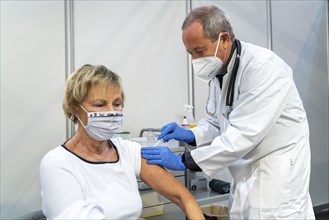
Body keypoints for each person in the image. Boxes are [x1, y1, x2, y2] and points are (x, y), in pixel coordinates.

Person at [141, 5, 315, 219]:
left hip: (276, 175)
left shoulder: (263, 67)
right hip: (244, 172)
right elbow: (217, 122)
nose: (195, 60)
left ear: (224, 39)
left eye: (199, 50)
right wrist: (191, 134)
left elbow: (243, 134)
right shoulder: (220, 72)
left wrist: (185, 161)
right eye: (190, 53)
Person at [39, 64, 205, 220]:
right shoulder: (57, 163)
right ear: (75, 108)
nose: (111, 112)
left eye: (117, 104)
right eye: (100, 104)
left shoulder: (127, 151)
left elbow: (184, 198)